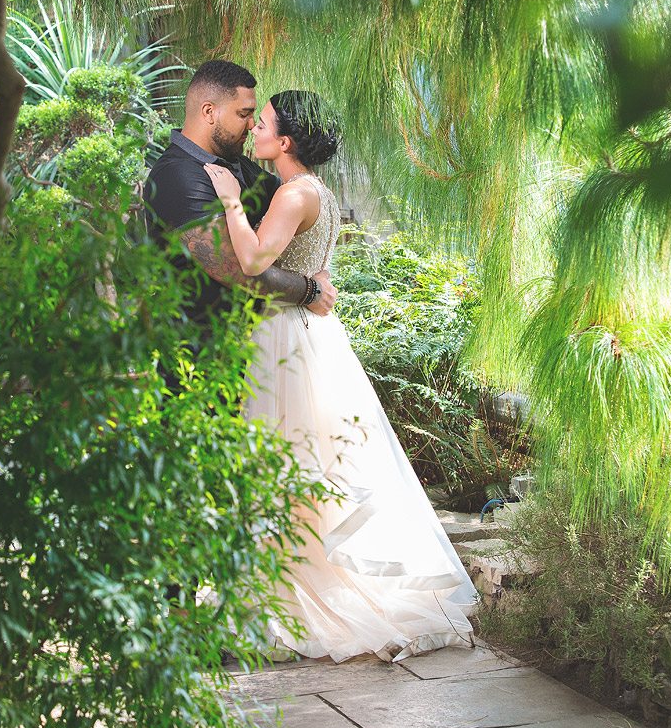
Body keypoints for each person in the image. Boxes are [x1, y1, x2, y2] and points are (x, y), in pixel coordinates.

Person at [205, 90, 478, 663]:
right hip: (312, 333)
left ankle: (282, 597)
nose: (254, 129)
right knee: (307, 465)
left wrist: (231, 201)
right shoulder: (322, 195)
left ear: (284, 143)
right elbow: (318, 271)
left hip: (282, 335)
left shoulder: (292, 192)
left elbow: (254, 263)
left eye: (266, 124)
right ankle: (285, 586)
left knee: (283, 460)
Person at [143, 61, 337, 323]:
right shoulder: (177, 176)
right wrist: (312, 291)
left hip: (253, 344)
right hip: (196, 353)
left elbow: (292, 212)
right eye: (243, 114)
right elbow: (238, 271)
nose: (250, 126)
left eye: (255, 117)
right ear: (209, 112)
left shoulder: (238, 163)